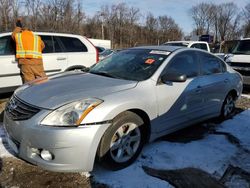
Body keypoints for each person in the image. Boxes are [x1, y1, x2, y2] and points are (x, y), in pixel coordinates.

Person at [12, 18, 46, 83]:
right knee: (42, 81)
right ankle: (44, 92)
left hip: (26, 63)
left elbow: (13, 34)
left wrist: (18, 26)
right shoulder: (37, 37)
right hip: (37, 62)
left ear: (22, 29)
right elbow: (43, 46)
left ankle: (34, 93)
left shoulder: (18, 36)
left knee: (30, 84)